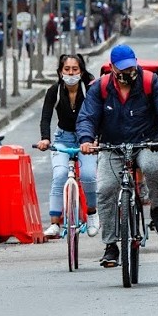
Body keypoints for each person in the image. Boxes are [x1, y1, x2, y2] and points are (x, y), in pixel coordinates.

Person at [78, 45, 158, 268]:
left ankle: (156, 207)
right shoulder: (101, 87)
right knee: (105, 189)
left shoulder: (150, 82)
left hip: (147, 142)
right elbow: (87, 116)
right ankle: (111, 246)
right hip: (112, 146)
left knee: (152, 167)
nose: (128, 71)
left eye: (131, 67)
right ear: (113, 68)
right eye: (123, 68)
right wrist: (86, 139)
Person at [36, 54, 99, 239]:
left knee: (88, 175)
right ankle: (55, 223)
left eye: (75, 69)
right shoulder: (54, 91)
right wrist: (45, 139)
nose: (71, 73)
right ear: (60, 71)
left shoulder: (89, 90)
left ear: (81, 71)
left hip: (86, 140)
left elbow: (99, 115)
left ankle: (93, 214)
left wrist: (96, 139)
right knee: (60, 175)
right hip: (62, 138)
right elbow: (45, 117)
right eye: (67, 69)